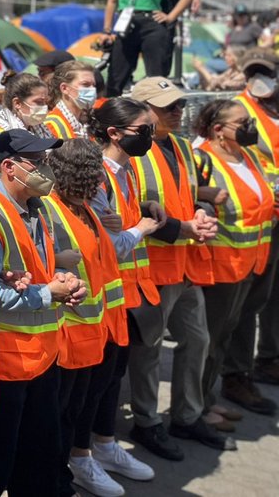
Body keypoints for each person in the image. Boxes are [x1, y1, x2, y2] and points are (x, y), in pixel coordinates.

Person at [0, 129, 86, 497]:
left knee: (37, 463)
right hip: (6, 368)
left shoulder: (38, 206)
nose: (47, 168)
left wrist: (64, 279)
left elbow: (41, 267)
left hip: (43, 358)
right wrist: (50, 293)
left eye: (48, 160)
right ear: (9, 167)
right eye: (39, 161)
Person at [124, 77, 225, 458]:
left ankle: (187, 415)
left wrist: (204, 213)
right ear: (143, 109)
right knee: (148, 350)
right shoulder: (133, 151)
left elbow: (189, 195)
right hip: (151, 266)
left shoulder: (181, 146)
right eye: (168, 107)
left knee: (197, 339)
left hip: (184, 265)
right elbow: (131, 212)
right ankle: (147, 421)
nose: (178, 112)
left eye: (179, 105)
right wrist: (185, 227)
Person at [41, 138, 134, 497]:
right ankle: (57, 481)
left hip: (98, 332)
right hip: (68, 338)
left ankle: (73, 468)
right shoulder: (51, 210)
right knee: (59, 419)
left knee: (78, 411)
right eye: (89, 171)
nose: (97, 178)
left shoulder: (89, 209)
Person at [85, 98, 162, 487]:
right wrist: (142, 229)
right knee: (97, 384)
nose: (151, 135)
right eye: (143, 129)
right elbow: (106, 244)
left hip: (127, 296)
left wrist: (143, 210)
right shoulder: (97, 175)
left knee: (114, 378)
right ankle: (82, 457)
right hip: (102, 298)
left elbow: (119, 228)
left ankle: (104, 444)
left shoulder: (127, 170)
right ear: (113, 133)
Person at [192, 100, 276, 419]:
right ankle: (195, 407)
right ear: (218, 130)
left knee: (225, 336)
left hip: (251, 264)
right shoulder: (203, 160)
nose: (250, 128)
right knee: (209, 340)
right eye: (242, 123)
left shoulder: (250, 156)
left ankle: (208, 398)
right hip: (219, 268)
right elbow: (189, 198)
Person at [229, 52, 279, 390]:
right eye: (253, 73)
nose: (259, 80)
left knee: (275, 295)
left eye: (266, 73)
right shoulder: (239, 111)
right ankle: (237, 372)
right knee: (251, 299)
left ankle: (269, 358)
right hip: (261, 217)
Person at [44, 61, 99, 140]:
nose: (92, 89)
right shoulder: (50, 126)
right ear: (65, 88)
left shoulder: (90, 122)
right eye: (85, 84)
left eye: (93, 85)